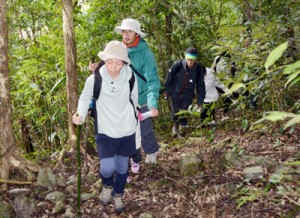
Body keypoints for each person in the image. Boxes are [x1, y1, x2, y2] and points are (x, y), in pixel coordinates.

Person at [72, 41, 138, 213]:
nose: (113, 67)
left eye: (118, 63)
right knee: (107, 168)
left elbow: (134, 99)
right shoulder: (95, 79)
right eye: (110, 62)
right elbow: (85, 99)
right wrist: (80, 114)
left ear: (124, 63)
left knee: (123, 168)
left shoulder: (131, 77)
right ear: (104, 60)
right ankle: (107, 186)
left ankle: (118, 194)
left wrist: (135, 117)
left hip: (126, 129)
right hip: (105, 130)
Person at [114, 18, 161, 165]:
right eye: (124, 31)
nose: (126, 34)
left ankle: (151, 152)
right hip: (124, 98)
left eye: (130, 31)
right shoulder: (118, 50)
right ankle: (131, 157)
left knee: (145, 129)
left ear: (136, 34)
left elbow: (152, 80)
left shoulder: (146, 54)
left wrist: (152, 103)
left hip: (143, 98)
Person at [164, 47, 206, 137]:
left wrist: (200, 101)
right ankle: (175, 126)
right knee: (175, 112)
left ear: (196, 59)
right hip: (175, 93)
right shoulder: (177, 65)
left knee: (184, 113)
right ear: (185, 58)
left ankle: (182, 133)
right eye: (188, 59)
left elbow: (201, 86)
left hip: (188, 95)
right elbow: (169, 78)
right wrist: (166, 92)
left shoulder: (198, 69)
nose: (190, 62)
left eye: (192, 59)